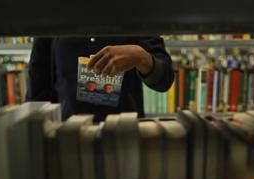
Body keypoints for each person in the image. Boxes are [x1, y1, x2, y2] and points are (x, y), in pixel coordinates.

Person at [27, 36, 174, 121]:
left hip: (124, 136)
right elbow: (38, 89)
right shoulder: (51, 11)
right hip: (66, 138)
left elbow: (164, 78)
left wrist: (140, 57)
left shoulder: (134, 9)